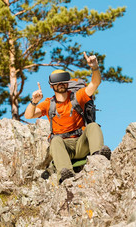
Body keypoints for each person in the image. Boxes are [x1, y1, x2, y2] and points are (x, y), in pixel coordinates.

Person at [25, 52, 111, 183]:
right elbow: (29, 115)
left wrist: (95, 67)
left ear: (67, 83)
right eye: (56, 82)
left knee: (93, 126)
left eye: (63, 81)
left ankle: (99, 159)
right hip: (64, 148)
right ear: (51, 86)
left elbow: (95, 83)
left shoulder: (78, 96)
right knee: (55, 141)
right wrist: (34, 101)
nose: (60, 84)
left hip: (82, 143)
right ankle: (66, 174)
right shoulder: (49, 104)